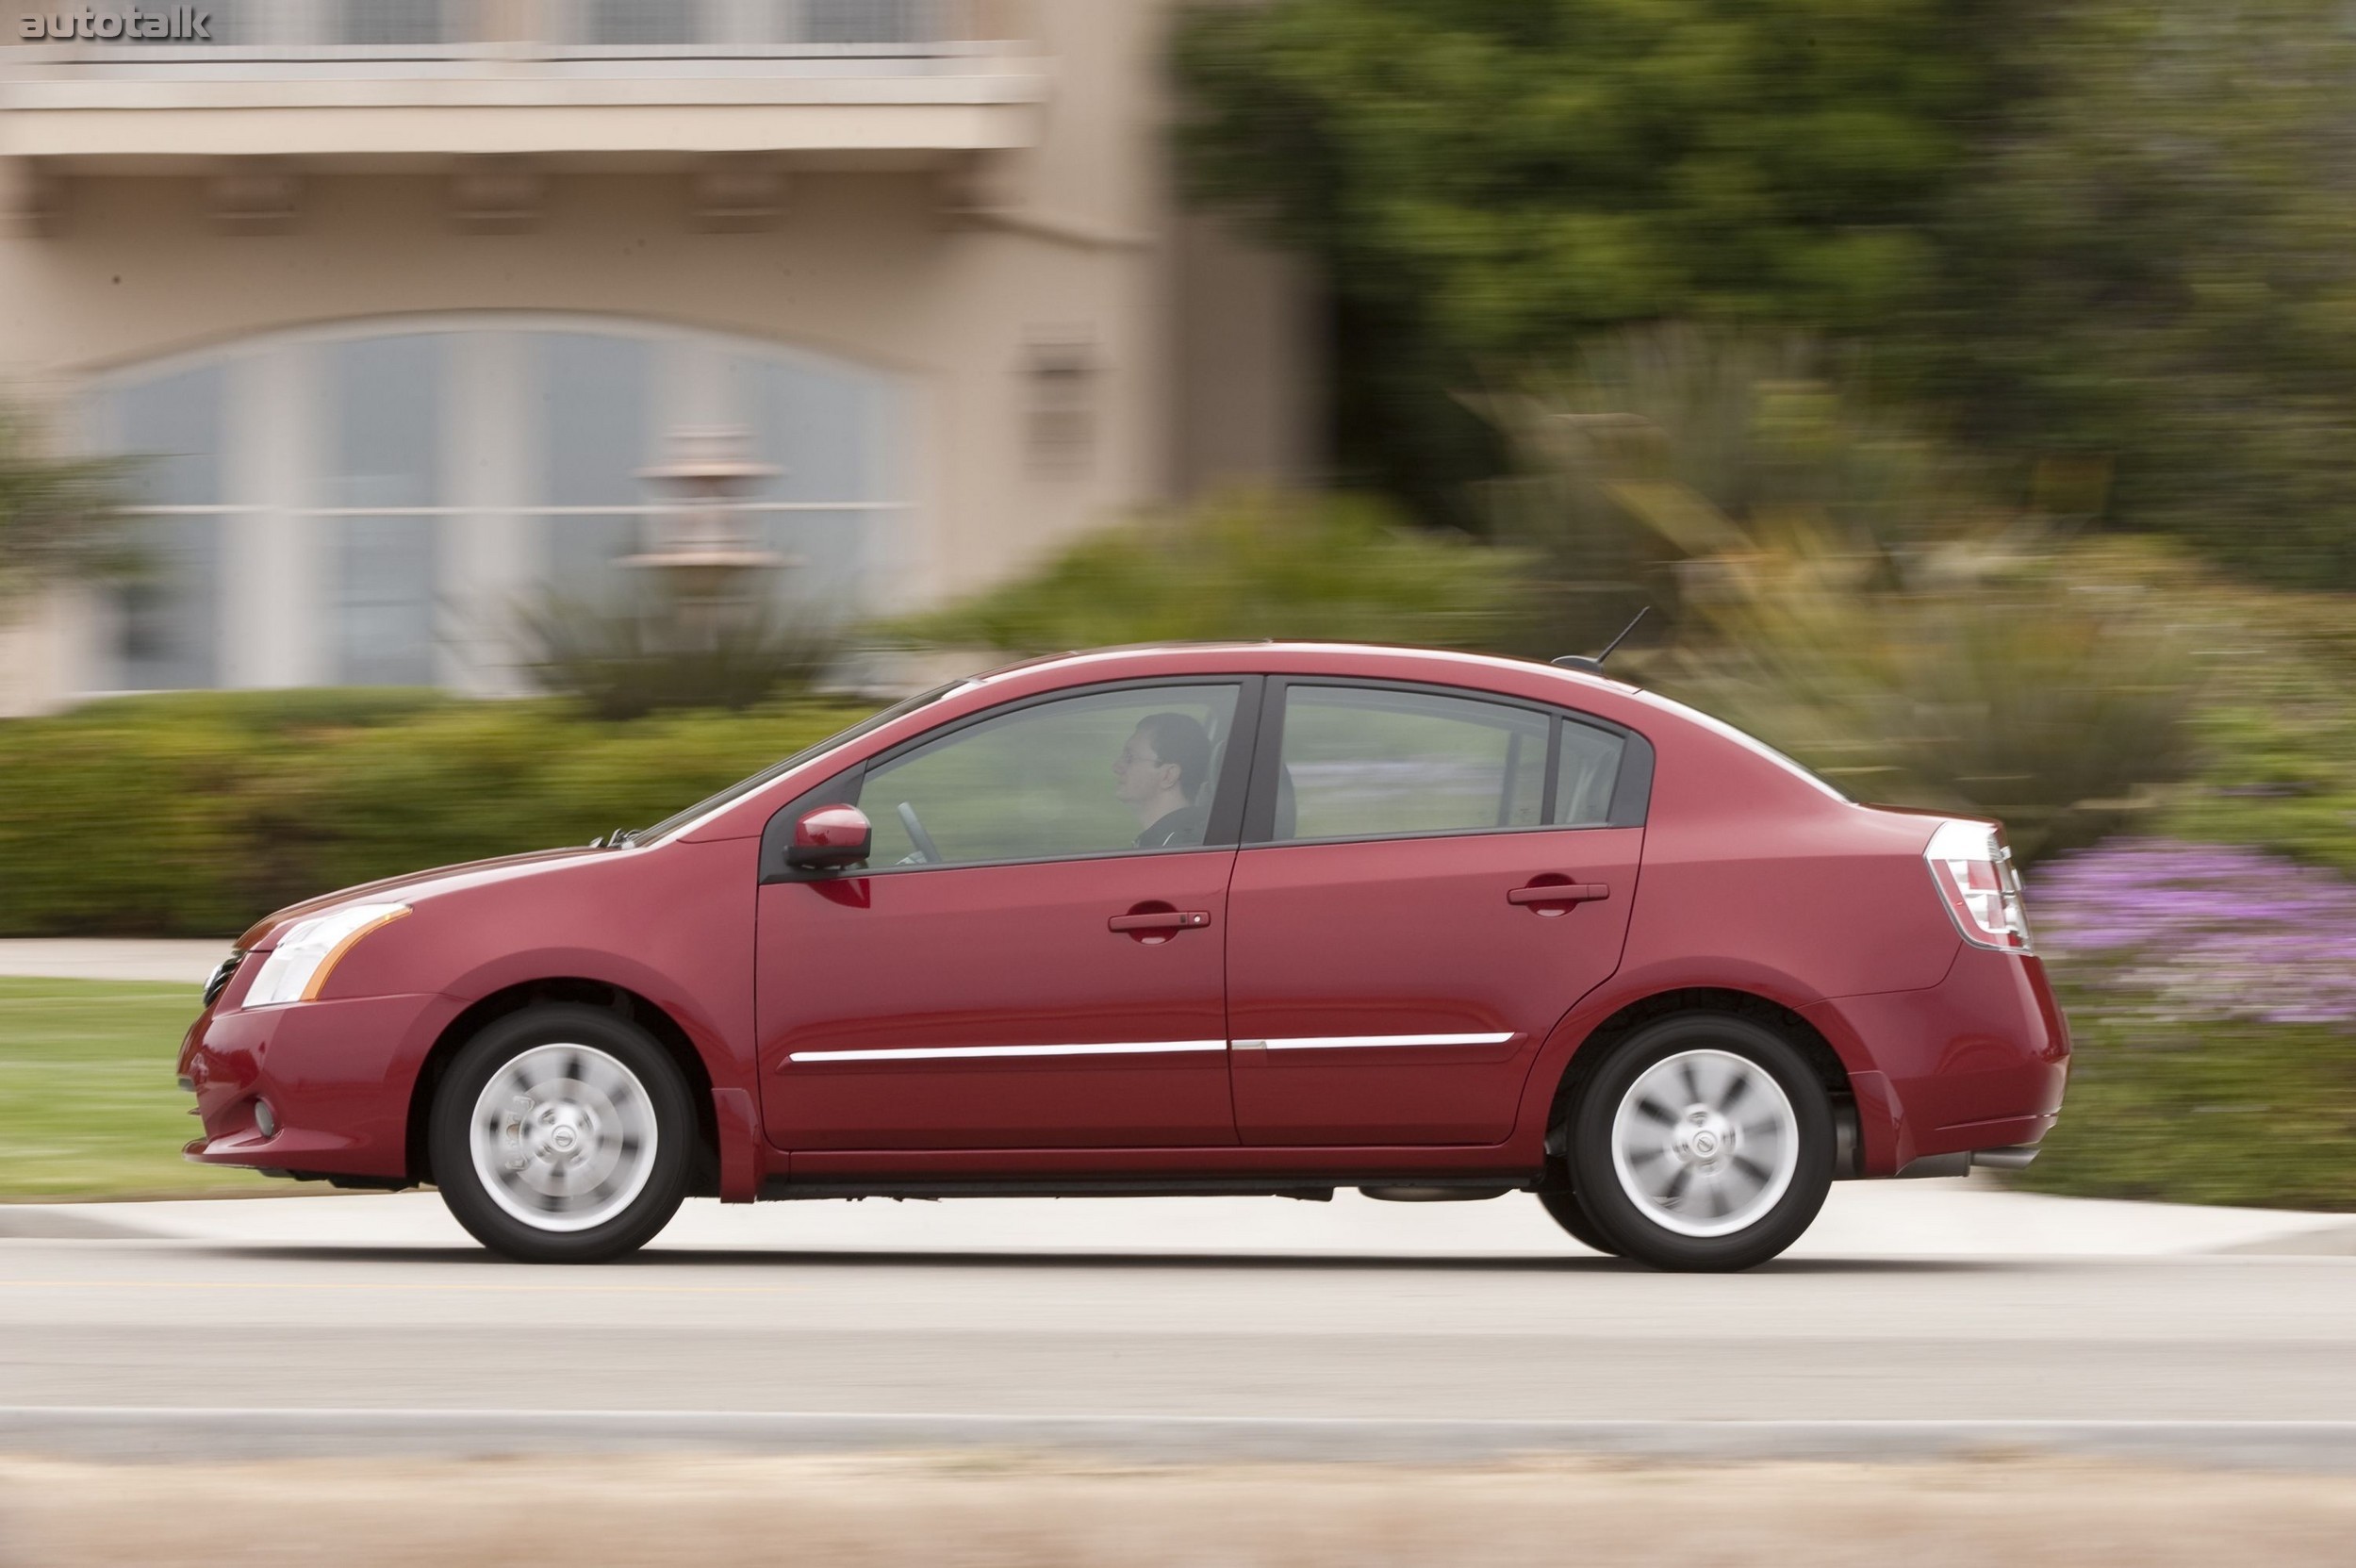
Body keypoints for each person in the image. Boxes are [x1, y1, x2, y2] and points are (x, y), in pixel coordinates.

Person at [1112, 712, 1212, 849]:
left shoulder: (1176, 850)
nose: (1116, 766)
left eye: (1130, 757)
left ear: (1168, 775)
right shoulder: (1168, 841)